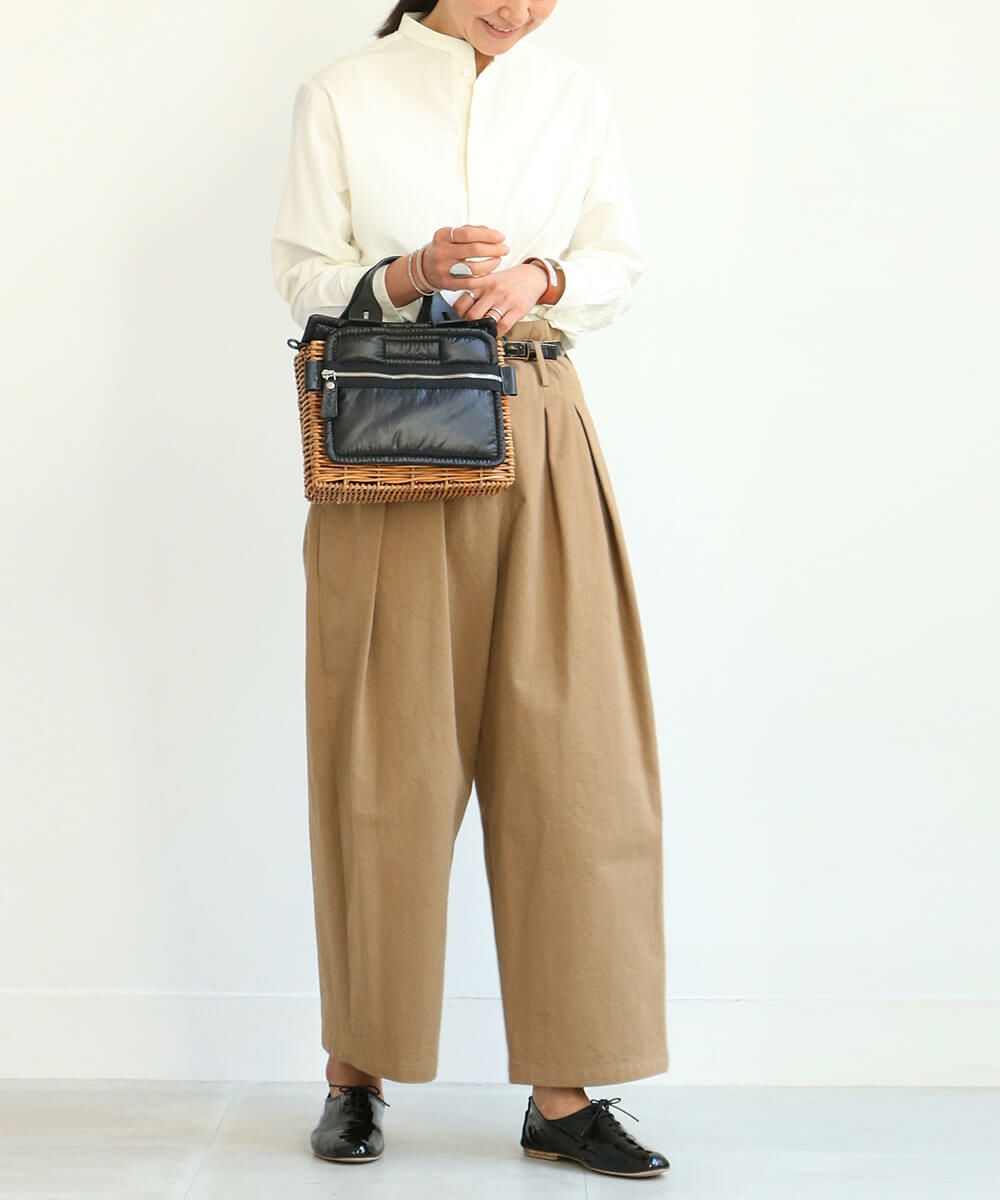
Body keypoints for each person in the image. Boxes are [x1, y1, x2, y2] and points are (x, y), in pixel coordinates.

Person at [271, 0, 670, 1179]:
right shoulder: (344, 92)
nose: (518, 6)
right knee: (380, 766)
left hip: (537, 416)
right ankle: (356, 1069)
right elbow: (299, 276)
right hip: (386, 432)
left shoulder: (573, 93)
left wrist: (545, 272)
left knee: (577, 762)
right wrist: (405, 273)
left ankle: (564, 1092)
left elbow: (618, 260)